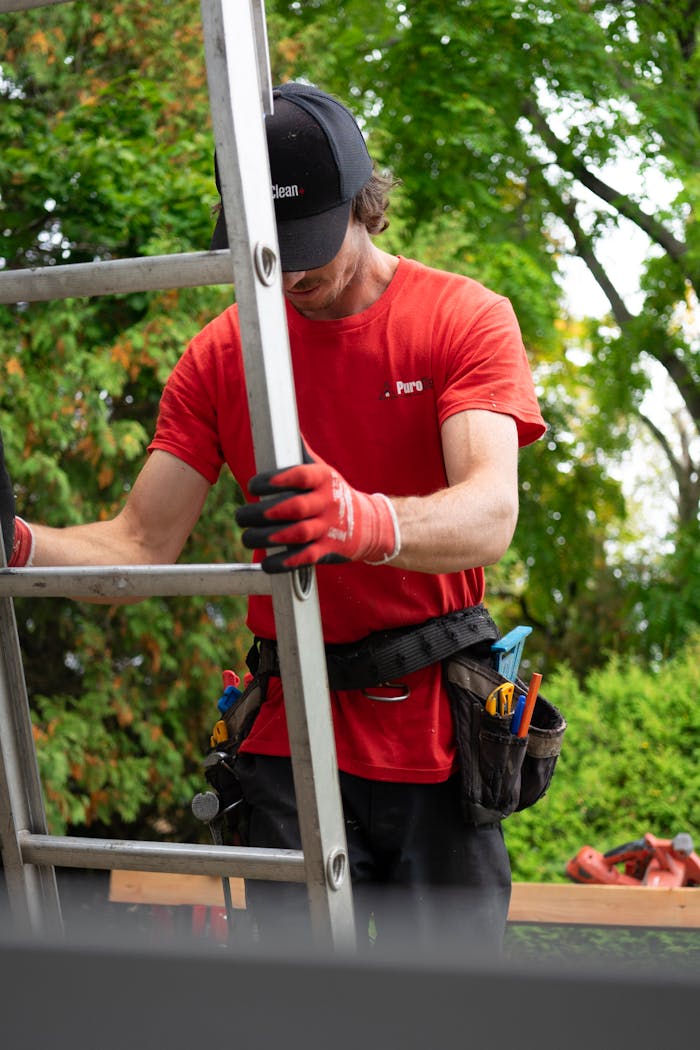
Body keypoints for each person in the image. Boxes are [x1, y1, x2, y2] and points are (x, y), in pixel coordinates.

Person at [1, 82, 546, 953]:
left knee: (453, 1021)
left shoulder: (461, 318)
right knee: (295, 1020)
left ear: (362, 204)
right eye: (269, 249)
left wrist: (360, 520)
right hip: (289, 746)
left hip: (434, 744)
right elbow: (140, 544)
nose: (290, 274)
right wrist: (19, 542)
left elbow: (489, 511)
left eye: (307, 245)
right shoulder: (224, 352)